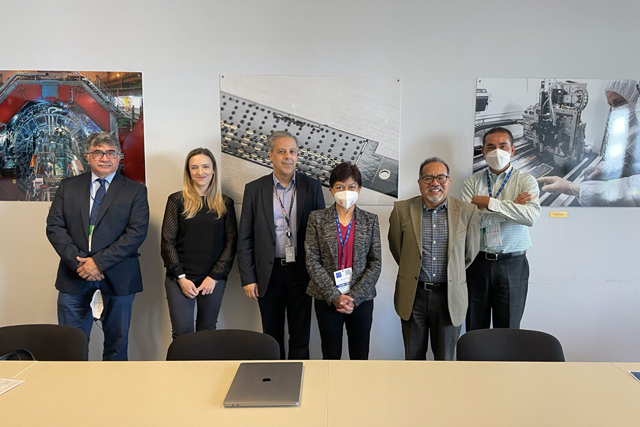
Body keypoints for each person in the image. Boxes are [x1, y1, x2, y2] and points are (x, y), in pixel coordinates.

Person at [46, 132, 149, 360]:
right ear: (87, 156)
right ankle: (75, 383)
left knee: (117, 345)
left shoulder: (135, 191)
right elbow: (54, 226)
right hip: (75, 273)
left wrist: (98, 263)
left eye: (111, 152)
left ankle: (112, 383)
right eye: (98, 152)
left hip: (119, 275)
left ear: (119, 157)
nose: (105, 158)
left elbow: (136, 233)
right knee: (70, 344)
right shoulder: (68, 186)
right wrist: (80, 263)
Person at [237, 130, 325, 359]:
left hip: (302, 272)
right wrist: (248, 278)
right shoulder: (254, 189)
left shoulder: (312, 187)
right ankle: (273, 377)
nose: (288, 156)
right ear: (270, 155)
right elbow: (245, 237)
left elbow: (322, 235)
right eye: (282, 151)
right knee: (271, 335)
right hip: (268, 273)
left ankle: (300, 375)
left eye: (293, 151)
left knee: (300, 335)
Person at [389, 157, 479, 360]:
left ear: (449, 181)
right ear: (419, 182)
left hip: (449, 296)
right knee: (413, 358)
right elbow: (398, 249)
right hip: (414, 296)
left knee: (445, 360)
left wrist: (452, 273)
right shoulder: (401, 210)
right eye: (428, 178)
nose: (435, 183)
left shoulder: (468, 211)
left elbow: (469, 254)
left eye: (441, 177)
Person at [462, 127, 540, 331]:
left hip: (512, 263)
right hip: (477, 262)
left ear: (512, 150)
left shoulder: (526, 181)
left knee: (508, 330)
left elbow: (529, 217)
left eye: (503, 146)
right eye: (491, 147)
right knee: (475, 328)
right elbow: (469, 223)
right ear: (483, 151)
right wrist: (512, 208)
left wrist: (488, 203)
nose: (497, 151)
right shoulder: (471, 182)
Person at [305, 162, 381, 360]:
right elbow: (312, 260)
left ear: (359, 190)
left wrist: (353, 297)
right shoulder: (317, 219)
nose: (346, 192)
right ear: (331, 190)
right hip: (327, 297)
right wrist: (334, 296)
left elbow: (375, 262)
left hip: (361, 299)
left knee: (360, 354)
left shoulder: (370, 220)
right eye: (340, 187)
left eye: (352, 186)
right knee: (330, 355)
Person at [160, 148, 237, 338]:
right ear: (188, 171)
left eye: (205, 167)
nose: (200, 172)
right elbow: (167, 241)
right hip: (180, 278)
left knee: (207, 334)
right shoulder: (176, 200)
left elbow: (231, 242)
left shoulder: (225, 203)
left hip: (212, 278)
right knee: (182, 334)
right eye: (194, 167)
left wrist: (214, 276)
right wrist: (180, 277)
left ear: (213, 170)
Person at [539, 80, 640, 206]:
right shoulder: (632, 127)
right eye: (610, 105)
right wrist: (602, 168)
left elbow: (632, 193)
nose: (615, 110)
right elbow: (629, 159)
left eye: (619, 102)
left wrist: (577, 189)